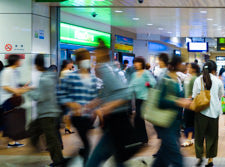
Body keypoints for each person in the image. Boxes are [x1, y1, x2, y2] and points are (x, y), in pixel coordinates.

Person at [86, 39, 140, 167]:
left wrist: (106, 108)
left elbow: (124, 94)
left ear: (100, 54)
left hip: (115, 120)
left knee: (97, 158)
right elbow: (109, 93)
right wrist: (94, 104)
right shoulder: (113, 67)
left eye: (95, 53)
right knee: (116, 157)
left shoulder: (105, 68)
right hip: (115, 121)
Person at [57, 49, 99, 164]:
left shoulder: (93, 78)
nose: (84, 61)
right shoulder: (70, 77)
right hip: (77, 116)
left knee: (85, 145)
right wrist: (72, 104)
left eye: (86, 58)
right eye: (81, 58)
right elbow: (60, 95)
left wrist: (95, 108)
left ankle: (69, 161)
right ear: (77, 61)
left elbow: (95, 96)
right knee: (87, 143)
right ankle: (83, 162)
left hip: (89, 116)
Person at [26, 54, 68, 167]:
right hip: (47, 112)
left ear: (38, 65)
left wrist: (28, 91)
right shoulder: (49, 76)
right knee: (34, 129)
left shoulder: (45, 78)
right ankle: (36, 148)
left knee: (51, 138)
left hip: (47, 113)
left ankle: (58, 161)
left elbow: (40, 97)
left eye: (35, 65)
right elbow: (44, 92)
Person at [153, 55, 191, 167]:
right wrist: (177, 101)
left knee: (163, 156)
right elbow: (159, 101)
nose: (185, 65)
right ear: (176, 65)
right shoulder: (165, 79)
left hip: (174, 123)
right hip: (165, 123)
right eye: (182, 63)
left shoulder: (177, 79)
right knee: (176, 156)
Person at [192, 60, 225, 167]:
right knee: (212, 136)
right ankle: (210, 160)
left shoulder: (198, 80)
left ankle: (199, 157)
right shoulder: (218, 81)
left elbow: (194, 95)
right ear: (214, 70)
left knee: (199, 136)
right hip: (214, 112)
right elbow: (221, 95)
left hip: (201, 111)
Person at [1, 54, 30, 148]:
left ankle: (13, 141)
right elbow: (5, 86)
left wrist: (22, 88)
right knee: (9, 121)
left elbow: (14, 85)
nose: (20, 62)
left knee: (12, 120)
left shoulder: (15, 71)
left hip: (12, 99)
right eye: (19, 60)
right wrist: (17, 91)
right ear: (15, 61)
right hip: (7, 99)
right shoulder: (7, 71)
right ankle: (11, 142)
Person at [129, 56, 156, 144]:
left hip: (146, 98)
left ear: (141, 63)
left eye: (137, 62)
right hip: (138, 99)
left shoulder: (146, 73)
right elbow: (131, 86)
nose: (135, 64)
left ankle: (142, 138)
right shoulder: (134, 75)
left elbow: (153, 82)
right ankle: (141, 138)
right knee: (138, 119)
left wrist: (147, 83)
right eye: (134, 63)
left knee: (138, 118)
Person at [181, 62, 201, 147]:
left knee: (189, 120)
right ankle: (190, 138)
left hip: (191, 102)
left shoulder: (194, 78)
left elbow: (194, 92)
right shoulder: (189, 77)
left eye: (189, 67)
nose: (187, 68)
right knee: (189, 120)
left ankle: (189, 139)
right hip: (187, 102)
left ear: (194, 69)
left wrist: (189, 99)